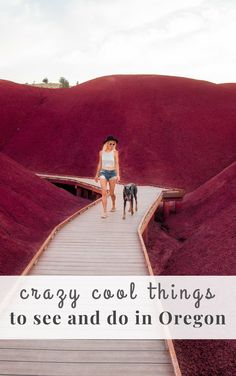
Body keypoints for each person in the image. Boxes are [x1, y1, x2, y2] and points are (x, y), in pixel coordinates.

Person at [94, 135, 120, 218]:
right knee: (104, 192)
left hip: (112, 173)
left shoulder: (115, 152)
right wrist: (96, 174)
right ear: (106, 144)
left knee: (111, 193)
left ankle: (113, 205)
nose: (112, 145)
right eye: (110, 144)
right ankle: (104, 211)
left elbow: (117, 164)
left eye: (113, 144)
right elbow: (100, 163)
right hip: (103, 172)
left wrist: (118, 175)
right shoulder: (101, 152)